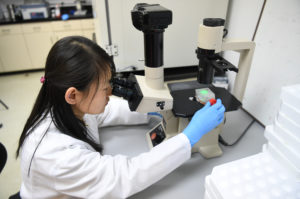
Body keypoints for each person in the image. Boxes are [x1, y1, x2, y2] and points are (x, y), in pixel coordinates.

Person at [16, 36, 225, 199]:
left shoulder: (64, 107)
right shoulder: (55, 157)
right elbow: (126, 176)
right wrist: (189, 136)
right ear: (73, 94)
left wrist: (151, 109)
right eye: (104, 86)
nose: (110, 91)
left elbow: (103, 112)